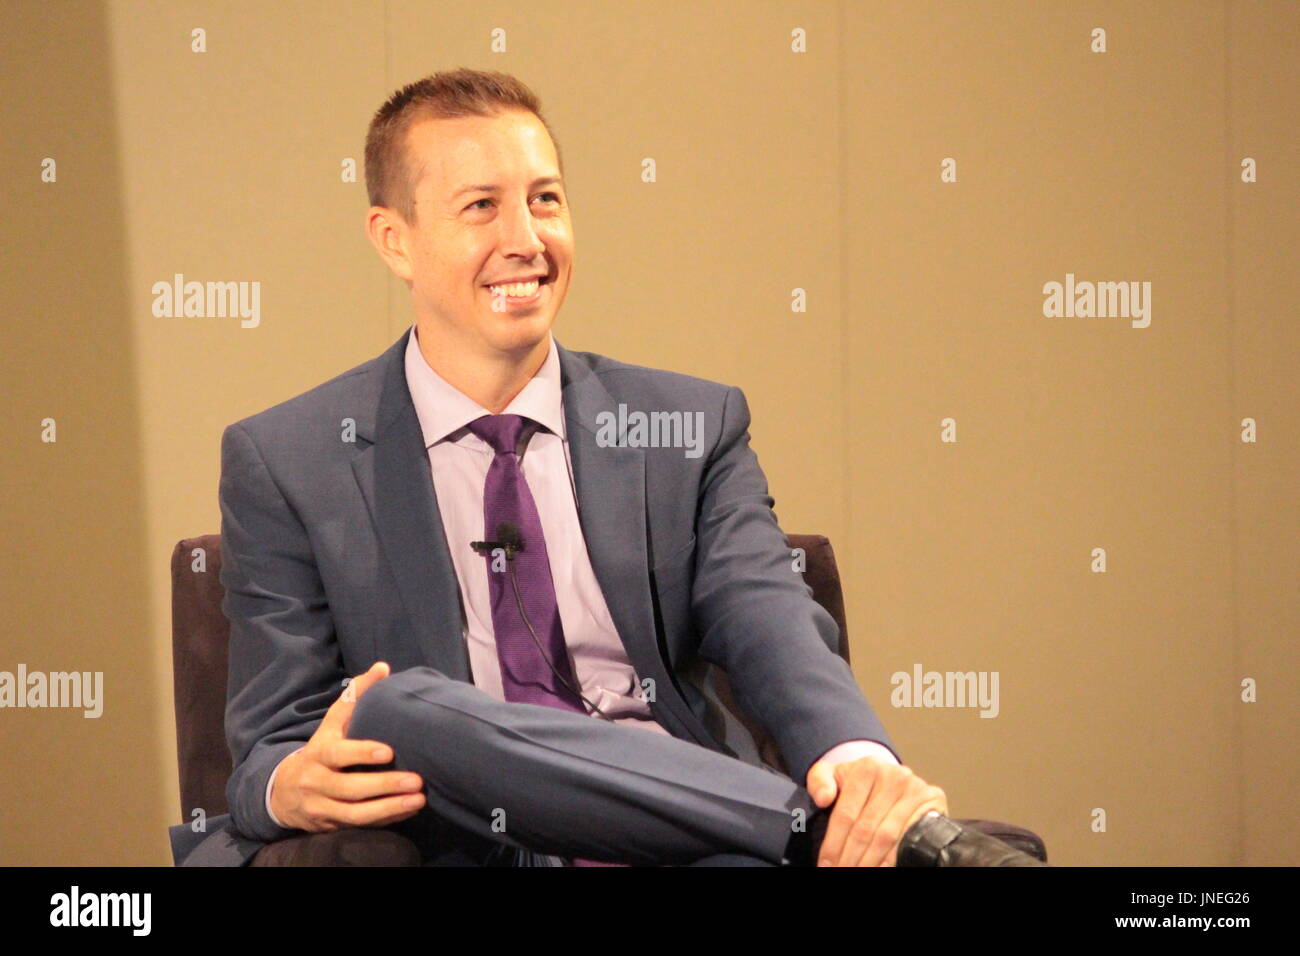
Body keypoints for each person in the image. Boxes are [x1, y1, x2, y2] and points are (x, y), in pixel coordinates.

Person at [204, 68, 946, 867]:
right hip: (460, 835)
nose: (526, 239)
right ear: (395, 240)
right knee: (394, 708)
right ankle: (809, 832)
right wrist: (288, 782)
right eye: (481, 206)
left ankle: (808, 828)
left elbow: (770, 617)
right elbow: (266, 750)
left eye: (546, 199)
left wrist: (861, 764)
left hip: (673, 836)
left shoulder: (688, 428)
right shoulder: (289, 459)